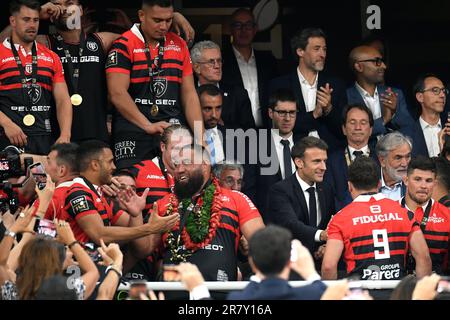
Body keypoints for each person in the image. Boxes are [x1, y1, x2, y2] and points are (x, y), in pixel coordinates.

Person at [106, 0, 203, 169]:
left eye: (168, 20)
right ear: (141, 16)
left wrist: (201, 139)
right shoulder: (123, 45)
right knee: (134, 185)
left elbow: (189, 95)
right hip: (134, 129)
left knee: (181, 186)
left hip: (173, 129)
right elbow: (117, 93)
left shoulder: (179, 45)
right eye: (157, 20)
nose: (164, 26)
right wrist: (147, 125)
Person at [148, 144, 265, 282]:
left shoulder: (237, 199)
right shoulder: (162, 204)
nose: (179, 170)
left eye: (186, 163)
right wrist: (138, 217)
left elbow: (264, 244)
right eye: (176, 165)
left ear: (205, 165)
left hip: (220, 292)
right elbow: (142, 250)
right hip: (174, 292)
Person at [321, 156, 431, 280]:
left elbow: (328, 266)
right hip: (396, 291)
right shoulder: (404, 213)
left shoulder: (340, 218)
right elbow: (423, 256)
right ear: (379, 183)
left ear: (350, 186)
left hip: (359, 293)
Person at [59, 140, 179, 246]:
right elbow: (100, 235)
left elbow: (138, 245)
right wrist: (149, 228)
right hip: (78, 268)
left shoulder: (99, 194)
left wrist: (136, 214)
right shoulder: (79, 193)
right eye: (110, 162)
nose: (114, 166)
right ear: (95, 165)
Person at [0, 0, 72, 154]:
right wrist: (6, 123)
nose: (32, 25)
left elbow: (63, 100)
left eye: (36, 20)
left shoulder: (51, 56)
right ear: (13, 21)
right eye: (26, 20)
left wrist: (65, 134)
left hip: (44, 138)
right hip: (9, 136)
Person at [269, 27, 346, 152]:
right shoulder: (279, 85)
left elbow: (344, 129)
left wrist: (329, 109)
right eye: (317, 49)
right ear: (300, 51)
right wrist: (314, 114)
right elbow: (276, 125)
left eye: (324, 49)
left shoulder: (336, 85)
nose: (323, 55)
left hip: (330, 154)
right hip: (293, 152)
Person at [267, 136, 335, 264]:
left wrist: (327, 246)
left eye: (324, 161)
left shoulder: (326, 188)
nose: (324, 167)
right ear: (299, 162)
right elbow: (290, 224)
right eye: (317, 161)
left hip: (321, 263)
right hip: (290, 264)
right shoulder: (280, 190)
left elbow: (331, 220)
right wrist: (321, 235)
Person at [228, 226, 326, 300]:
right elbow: (325, 292)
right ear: (289, 262)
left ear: (252, 262)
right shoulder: (312, 294)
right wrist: (310, 272)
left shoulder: (237, 298)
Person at [244, 88, 298, 219]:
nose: (287, 118)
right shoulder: (254, 145)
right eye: (281, 113)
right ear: (270, 113)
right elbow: (249, 190)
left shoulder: (305, 144)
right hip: (268, 224)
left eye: (292, 113)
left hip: (302, 223)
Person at [221, 8, 278, 128]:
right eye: (238, 25)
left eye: (248, 25)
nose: (243, 30)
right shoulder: (221, 61)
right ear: (230, 29)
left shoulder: (268, 61)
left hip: (268, 129)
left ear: (255, 29)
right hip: (234, 131)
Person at [347, 45, 413, 140]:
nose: (384, 66)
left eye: (382, 61)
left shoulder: (394, 94)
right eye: (377, 61)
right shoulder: (346, 97)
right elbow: (353, 134)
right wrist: (383, 120)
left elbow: (409, 129)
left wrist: (393, 114)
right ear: (359, 66)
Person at [400, 156, 450, 274]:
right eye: (417, 179)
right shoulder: (390, 213)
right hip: (397, 288)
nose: (423, 186)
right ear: (406, 180)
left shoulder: (447, 216)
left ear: (435, 183)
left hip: (435, 288)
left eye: (429, 181)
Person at [190, 40, 255, 130]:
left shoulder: (238, 94)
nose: (217, 66)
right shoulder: (186, 94)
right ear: (197, 68)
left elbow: (250, 133)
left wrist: (223, 127)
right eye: (211, 62)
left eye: (219, 61)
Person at [325, 104, 377, 210]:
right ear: (344, 129)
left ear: (371, 129)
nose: (358, 127)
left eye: (363, 123)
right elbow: (328, 196)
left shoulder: (381, 159)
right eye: (352, 122)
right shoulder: (331, 161)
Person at [401, 74, 447, 157]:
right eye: (435, 90)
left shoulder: (448, 129)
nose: (442, 95)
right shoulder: (404, 135)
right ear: (420, 97)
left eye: (444, 91)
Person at [31, 142, 79, 220]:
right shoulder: (94, 191)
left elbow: (28, 229)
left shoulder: (48, 199)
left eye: (48, 162)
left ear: (61, 170)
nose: (44, 167)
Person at [376, 131, 412, 201]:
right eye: (398, 158)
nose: (404, 164)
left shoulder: (416, 185)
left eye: (408, 156)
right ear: (382, 161)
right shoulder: (369, 183)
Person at [198, 84, 226, 165]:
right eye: (208, 108)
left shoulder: (234, 137)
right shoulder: (185, 138)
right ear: (196, 107)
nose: (214, 115)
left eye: (218, 108)